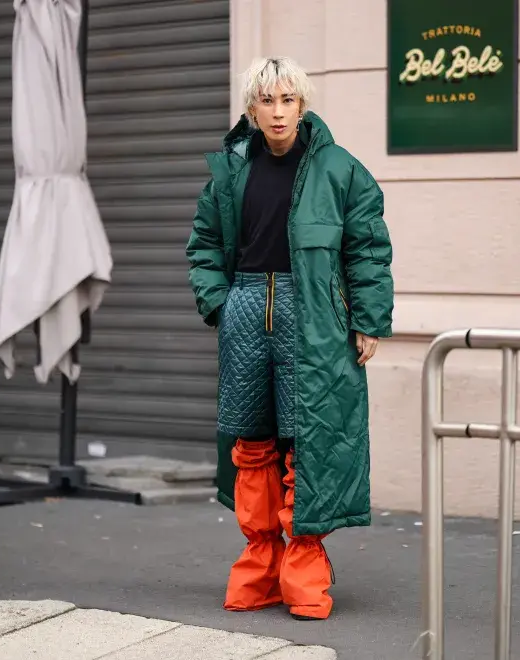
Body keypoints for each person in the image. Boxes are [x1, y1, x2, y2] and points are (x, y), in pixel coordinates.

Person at [185, 56, 394, 621]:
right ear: (251, 108)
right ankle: (261, 565)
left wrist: (369, 319)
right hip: (248, 309)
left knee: (311, 443)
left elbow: (368, 250)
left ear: (302, 105)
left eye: (288, 100)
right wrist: (220, 305)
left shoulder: (341, 170)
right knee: (252, 443)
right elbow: (203, 244)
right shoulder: (231, 171)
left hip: (316, 318)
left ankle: (303, 570)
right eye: (266, 101)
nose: (277, 112)